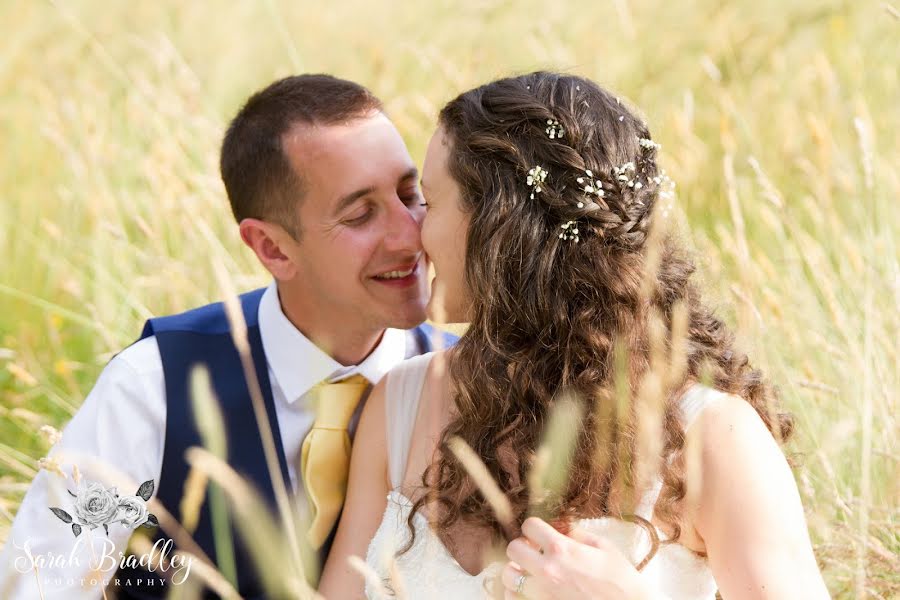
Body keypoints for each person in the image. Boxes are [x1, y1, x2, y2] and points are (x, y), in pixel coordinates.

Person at [318, 71, 830, 599]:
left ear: (499, 229)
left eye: (430, 200)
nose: (411, 233)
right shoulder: (400, 406)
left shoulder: (713, 438)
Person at [0, 74, 452, 599]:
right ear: (273, 248)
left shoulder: (471, 386)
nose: (409, 234)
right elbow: (36, 586)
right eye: (360, 214)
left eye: (410, 193)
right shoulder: (154, 385)